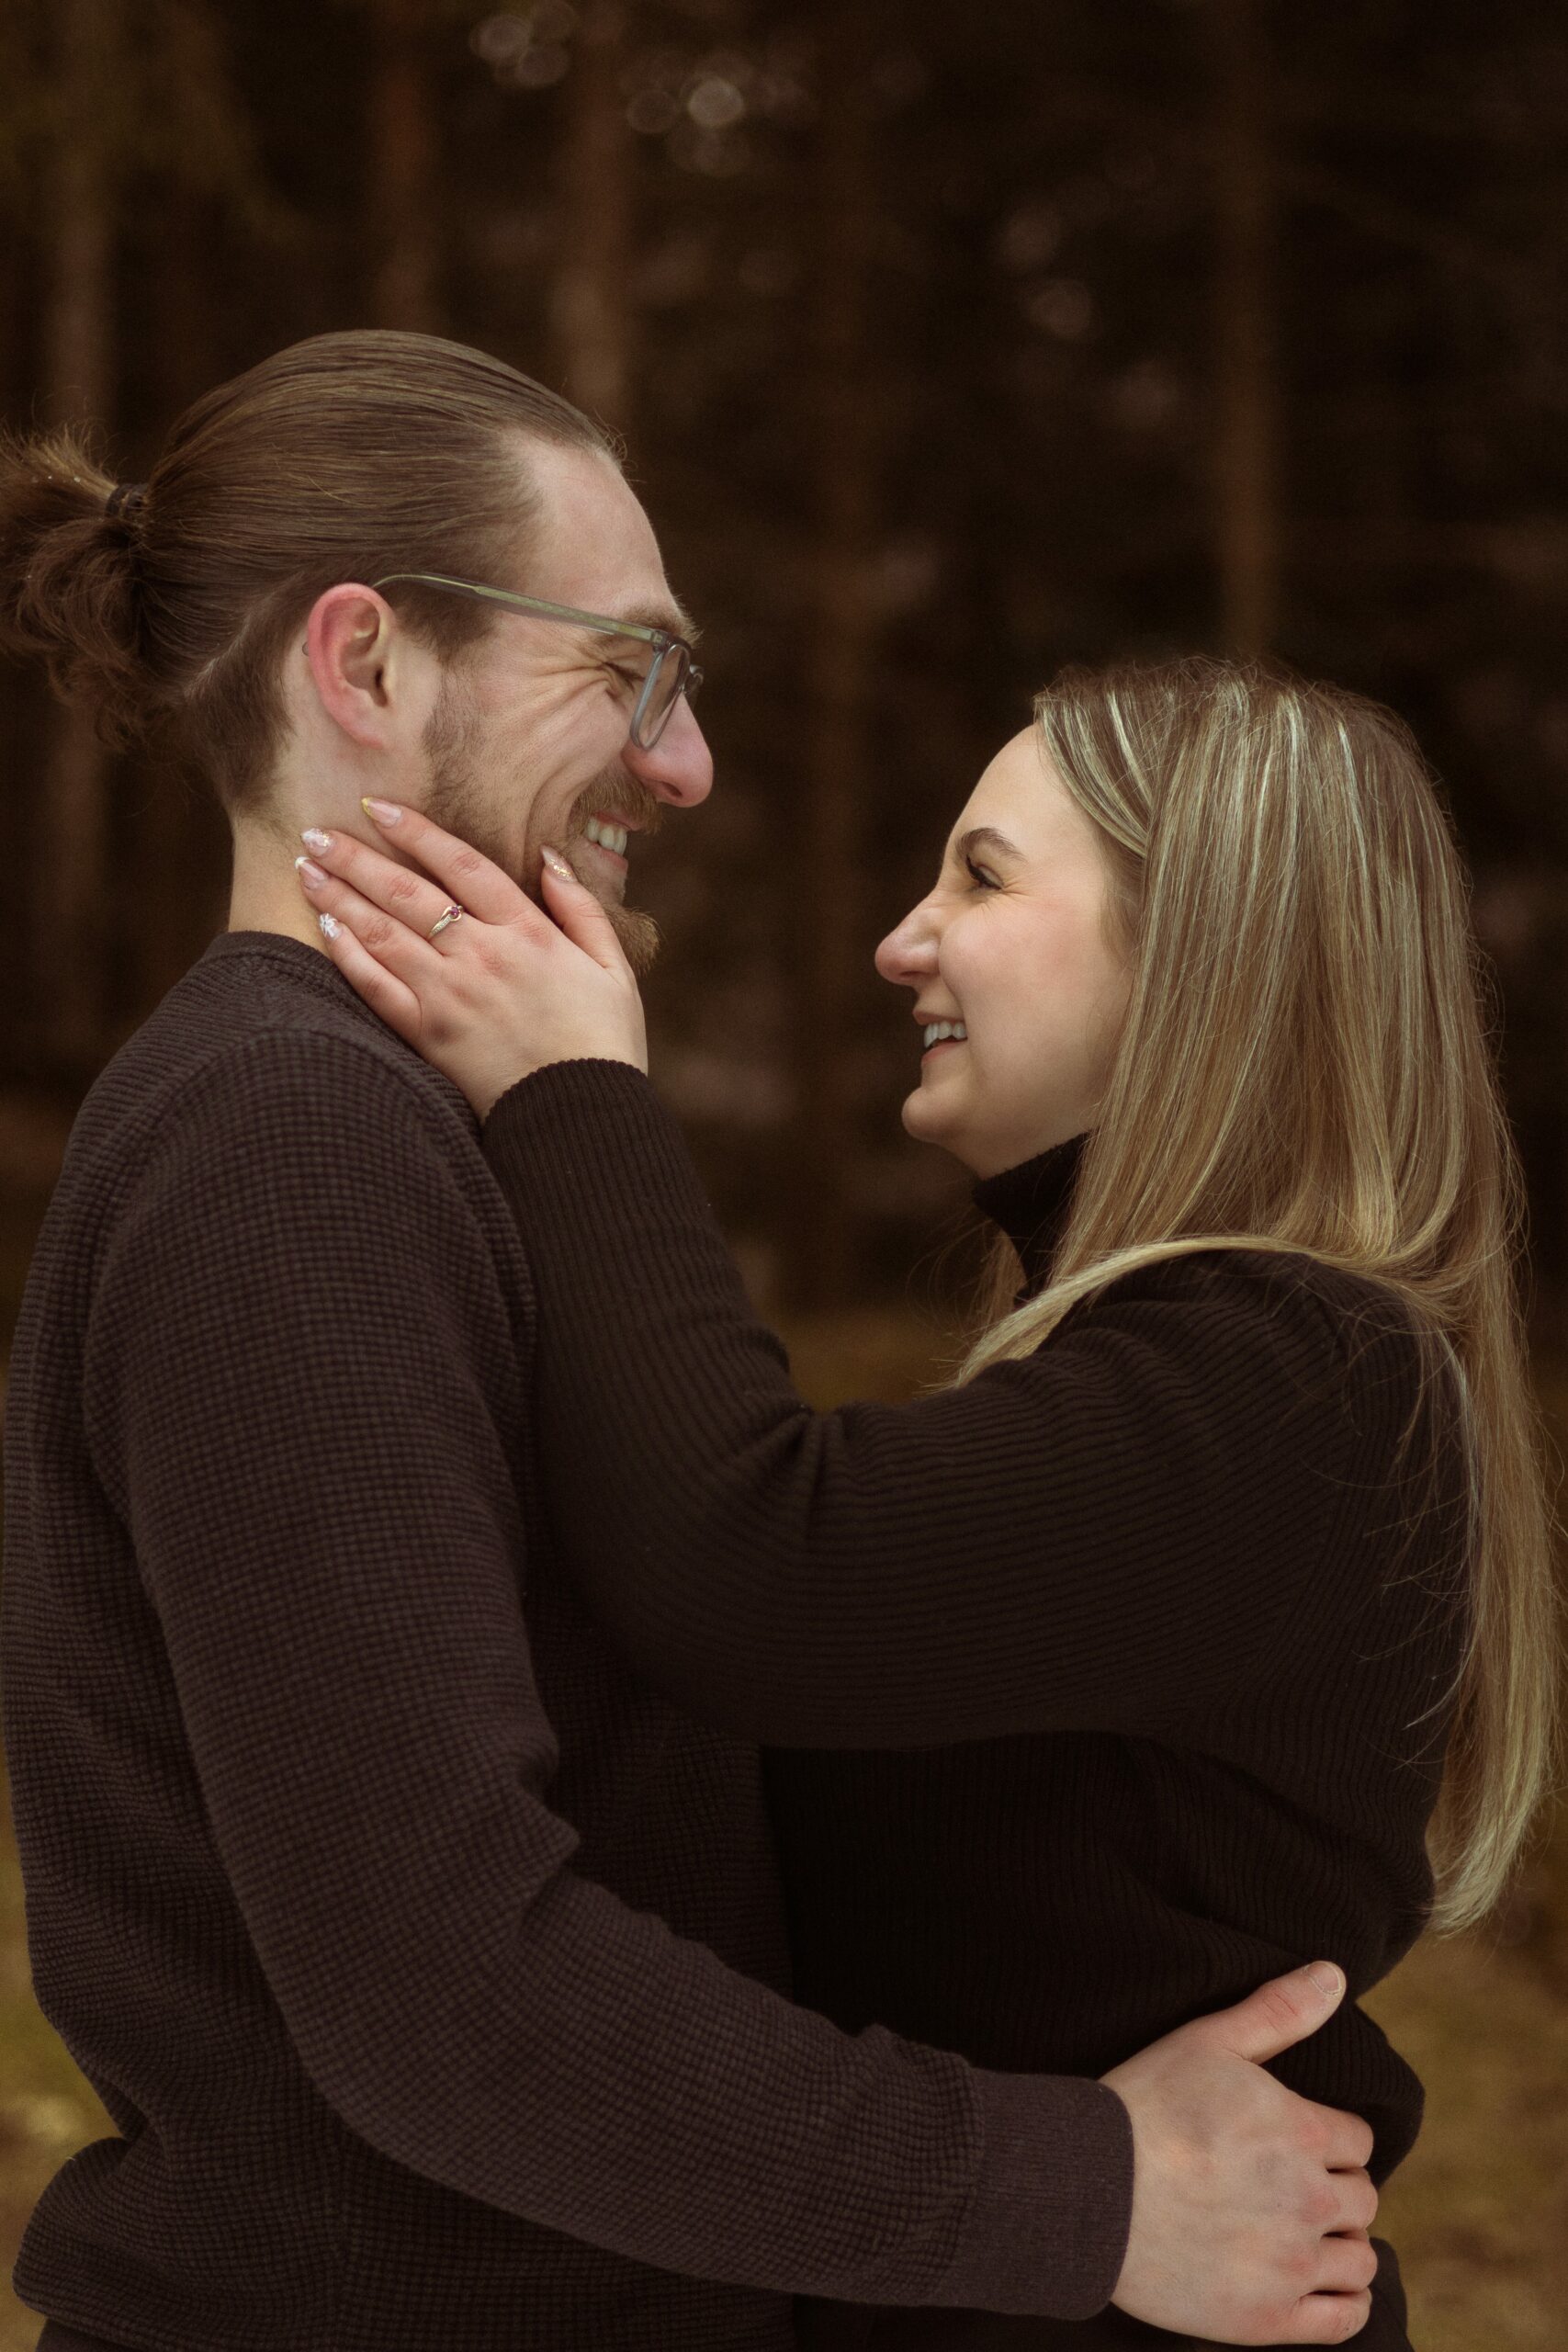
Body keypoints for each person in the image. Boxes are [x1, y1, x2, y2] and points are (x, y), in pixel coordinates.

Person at [0, 333, 1380, 2352]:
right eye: (626, 668)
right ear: (364, 667)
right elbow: (446, 1989)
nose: (684, 762)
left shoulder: (400, 1131)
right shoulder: (286, 1147)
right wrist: (1079, 2194)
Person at [289, 655, 1560, 2352]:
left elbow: (756, 1566)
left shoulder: (1306, 1378)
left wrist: (570, 1087)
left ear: (1199, 946)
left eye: (981, 873)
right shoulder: (1213, 1370)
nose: (903, 940)